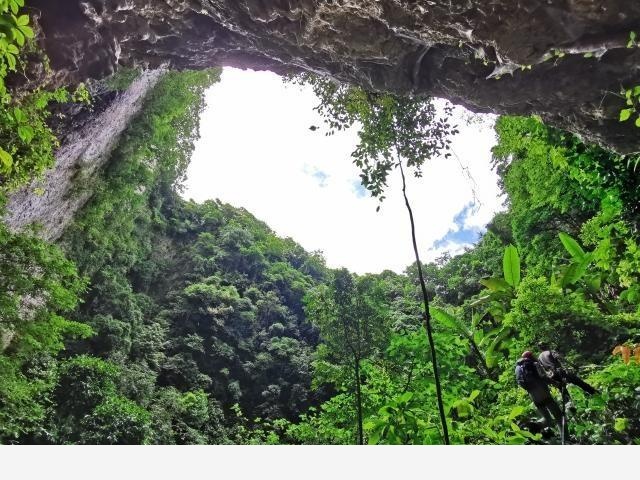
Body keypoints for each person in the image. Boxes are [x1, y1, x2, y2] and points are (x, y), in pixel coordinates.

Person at [515, 351, 567, 436]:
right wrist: (556, 383)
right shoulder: (534, 364)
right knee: (559, 416)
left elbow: (521, 383)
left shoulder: (518, 369)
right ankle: (566, 438)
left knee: (548, 420)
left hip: (533, 395)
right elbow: (543, 377)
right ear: (531, 356)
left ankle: (535, 426)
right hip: (543, 393)